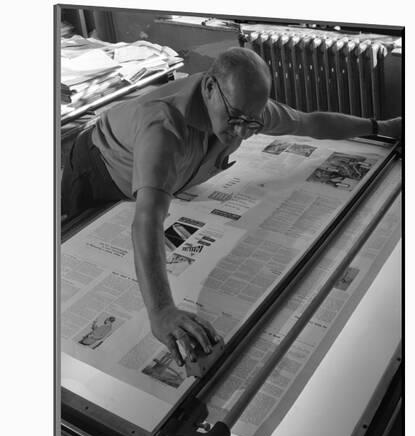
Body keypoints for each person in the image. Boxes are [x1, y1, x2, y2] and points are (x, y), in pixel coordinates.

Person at [61, 47, 402, 367]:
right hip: (97, 172)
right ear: (209, 87)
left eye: (251, 123)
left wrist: (381, 127)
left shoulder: (243, 108)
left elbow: (310, 122)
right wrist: (162, 310)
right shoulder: (162, 126)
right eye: (236, 118)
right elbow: (147, 220)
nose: (241, 130)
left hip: (164, 176)